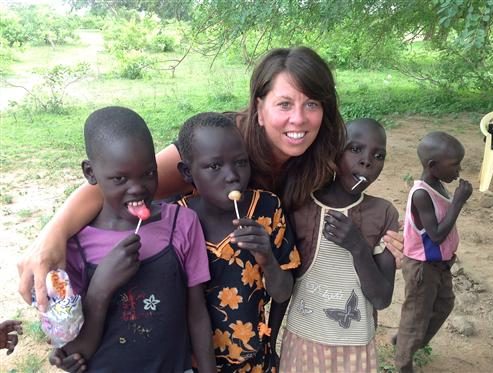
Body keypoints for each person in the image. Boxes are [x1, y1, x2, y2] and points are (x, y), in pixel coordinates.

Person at [18, 46, 404, 313]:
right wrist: (51, 236)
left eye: (312, 104)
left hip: (255, 313)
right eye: (284, 104)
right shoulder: (219, 146)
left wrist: (389, 238)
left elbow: (354, 193)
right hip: (180, 296)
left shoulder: (319, 158)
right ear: (259, 107)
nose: (299, 119)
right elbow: (119, 185)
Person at [49, 107, 216, 372]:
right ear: (90, 173)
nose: (138, 188)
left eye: (149, 173)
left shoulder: (181, 223)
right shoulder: (75, 246)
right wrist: (100, 288)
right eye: (120, 178)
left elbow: (197, 313)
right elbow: (76, 353)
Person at [176, 112, 300, 372]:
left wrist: (266, 258)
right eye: (214, 166)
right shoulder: (178, 220)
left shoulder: (267, 209)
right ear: (187, 172)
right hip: (194, 362)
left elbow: (282, 292)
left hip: (254, 359)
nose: (232, 176)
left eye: (241, 162)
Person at [272, 118, 398, 372]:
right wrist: (270, 340)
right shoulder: (300, 205)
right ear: (333, 152)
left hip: (355, 350)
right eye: (355, 149)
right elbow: (287, 279)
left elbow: (382, 298)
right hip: (303, 342)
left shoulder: (383, 213)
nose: (367, 161)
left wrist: (358, 246)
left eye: (379, 155)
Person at [394, 131, 472, 373]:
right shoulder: (420, 194)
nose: (459, 170)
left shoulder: (437, 183)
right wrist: (458, 202)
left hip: (440, 264)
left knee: (444, 304)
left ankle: (408, 341)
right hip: (422, 267)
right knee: (416, 316)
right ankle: (403, 362)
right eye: (455, 165)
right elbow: (436, 235)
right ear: (433, 166)